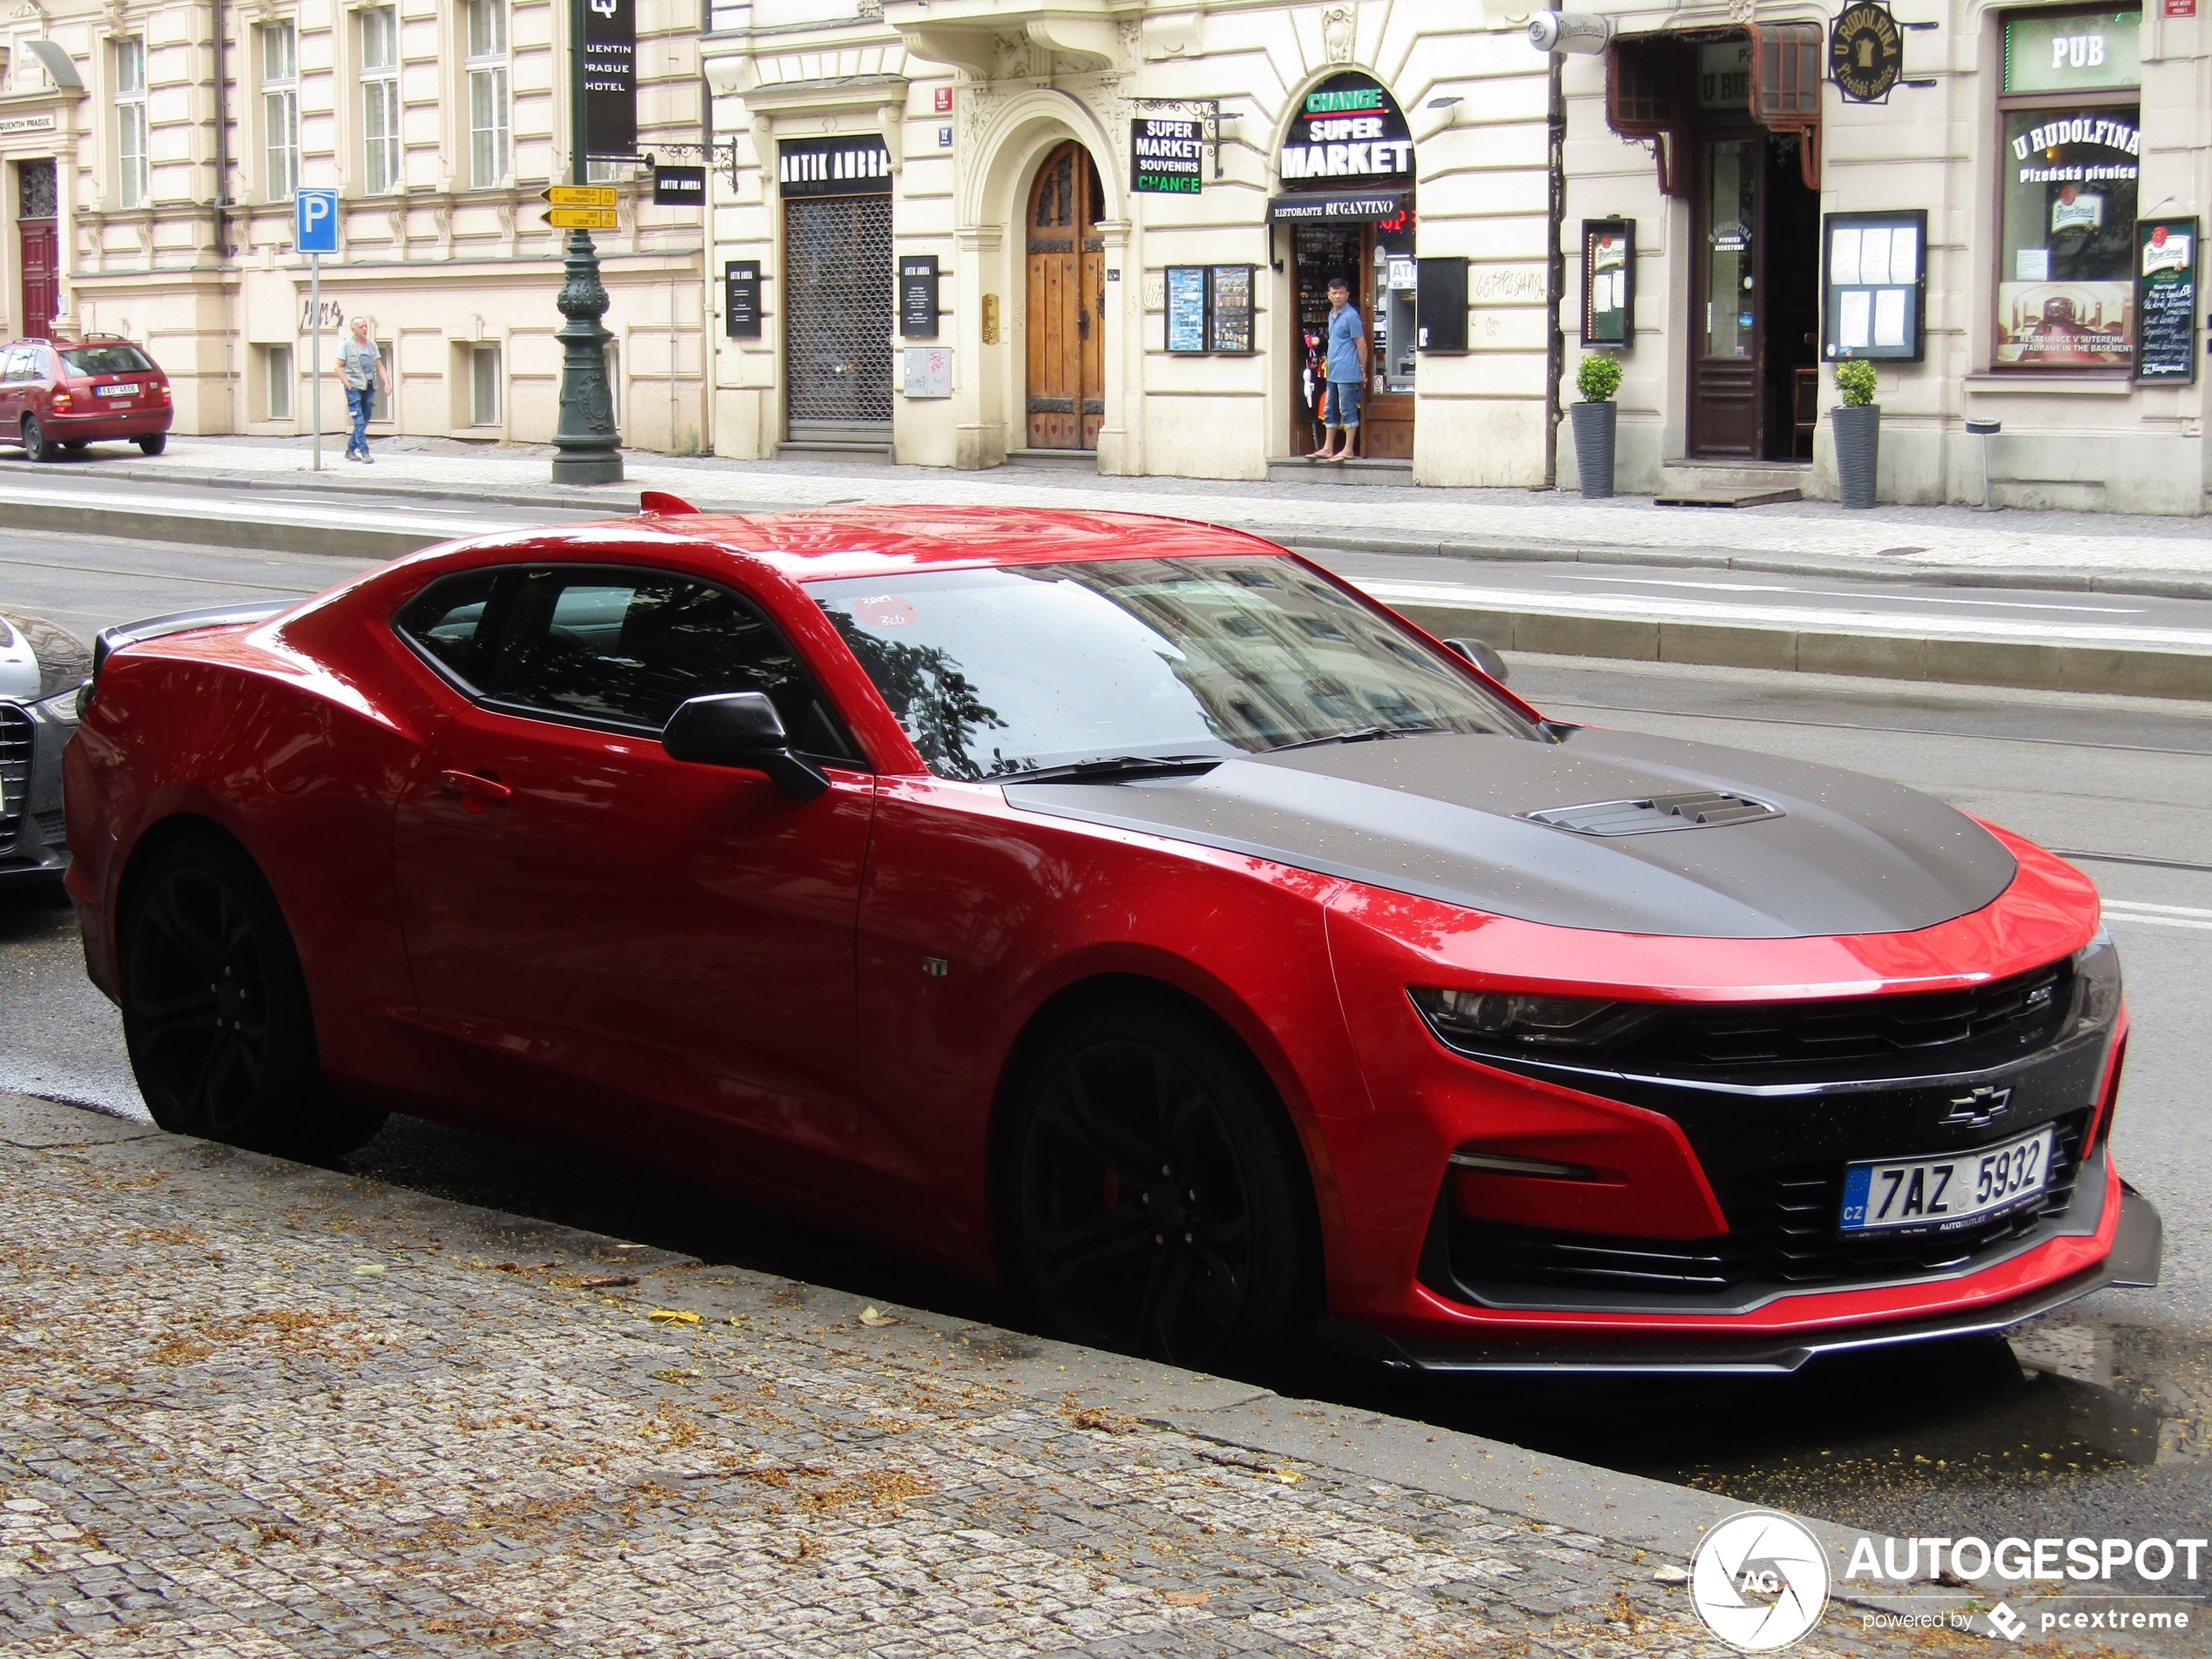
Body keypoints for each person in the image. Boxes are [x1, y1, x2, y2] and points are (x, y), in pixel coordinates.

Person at [1308, 276, 1369, 462]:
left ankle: (1348, 449)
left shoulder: (1351, 316)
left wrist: (1363, 370)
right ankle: (1328, 448)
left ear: (1347, 294)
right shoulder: (1331, 314)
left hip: (1347, 371)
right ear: (1328, 295)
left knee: (1347, 409)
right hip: (1333, 371)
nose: (1337, 296)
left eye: (1341, 292)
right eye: (1334, 293)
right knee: (1330, 409)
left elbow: (1361, 345)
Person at [337, 317, 391, 463]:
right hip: (354, 387)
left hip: (369, 385)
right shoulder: (346, 345)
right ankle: (364, 452)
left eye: (365, 326)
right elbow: (337, 367)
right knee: (359, 421)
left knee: (365, 419)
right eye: (361, 326)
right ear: (353, 329)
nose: (365, 329)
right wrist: (348, 384)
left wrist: (386, 382)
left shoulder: (371, 345)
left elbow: (379, 365)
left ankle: (350, 450)